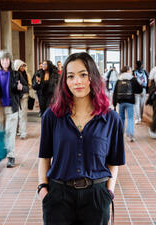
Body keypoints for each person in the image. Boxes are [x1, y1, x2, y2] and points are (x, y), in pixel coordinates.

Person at [38, 52, 125, 225]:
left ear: (93, 76)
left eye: (83, 74)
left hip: (96, 197)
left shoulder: (111, 119)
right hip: (58, 196)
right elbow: (45, 157)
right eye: (71, 76)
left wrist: (109, 192)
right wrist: (43, 190)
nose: (77, 81)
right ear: (65, 81)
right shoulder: (52, 116)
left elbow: (113, 161)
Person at [0, 50, 23, 168]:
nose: (5, 62)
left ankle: (11, 157)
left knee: (11, 133)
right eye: (3, 59)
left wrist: (20, 88)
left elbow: (26, 87)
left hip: (12, 108)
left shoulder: (16, 74)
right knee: (0, 133)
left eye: (7, 59)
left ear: (10, 61)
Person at [113, 66, 142, 142]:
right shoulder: (132, 79)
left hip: (120, 101)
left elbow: (115, 92)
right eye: (130, 70)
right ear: (128, 70)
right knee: (130, 118)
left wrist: (114, 103)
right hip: (130, 101)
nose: (131, 71)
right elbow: (139, 90)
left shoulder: (119, 79)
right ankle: (130, 135)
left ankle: (120, 135)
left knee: (121, 118)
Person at [14, 59, 31, 139]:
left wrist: (21, 88)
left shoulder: (25, 74)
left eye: (23, 66)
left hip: (23, 96)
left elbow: (27, 87)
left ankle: (23, 133)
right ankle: (18, 131)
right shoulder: (14, 74)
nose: (23, 67)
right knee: (16, 115)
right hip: (15, 97)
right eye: (21, 66)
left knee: (22, 115)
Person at [148, 66, 156, 138]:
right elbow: (150, 83)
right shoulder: (154, 69)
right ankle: (152, 129)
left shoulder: (153, 69)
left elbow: (149, 83)